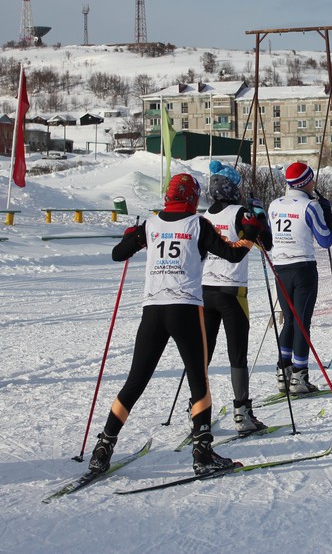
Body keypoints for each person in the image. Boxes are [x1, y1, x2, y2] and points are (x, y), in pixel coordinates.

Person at [88, 173, 262, 475]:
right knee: (198, 381)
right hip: (186, 309)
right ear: (193, 198)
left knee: (135, 382)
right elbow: (232, 254)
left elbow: (118, 254)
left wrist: (132, 236)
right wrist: (250, 232)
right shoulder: (197, 224)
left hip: (153, 311)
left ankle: (104, 446)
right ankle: (203, 452)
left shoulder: (152, 224)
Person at [201, 165, 274, 433]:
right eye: (239, 186)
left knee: (203, 353)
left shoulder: (205, 215)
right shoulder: (240, 213)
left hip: (205, 290)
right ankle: (242, 413)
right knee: (237, 354)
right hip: (232, 292)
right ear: (231, 188)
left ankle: (196, 409)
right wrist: (260, 216)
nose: (241, 190)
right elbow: (266, 242)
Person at [268, 163, 332, 394]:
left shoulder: (274, 205)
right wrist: (326, 212)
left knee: (289, 319)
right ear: (305, 182)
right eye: (312, 180)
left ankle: (283, 371)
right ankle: (299, 376)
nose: (314, 183)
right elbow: (326, 240)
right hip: (303, 267)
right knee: (302, 322)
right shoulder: (310, 205)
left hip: (280, 268)